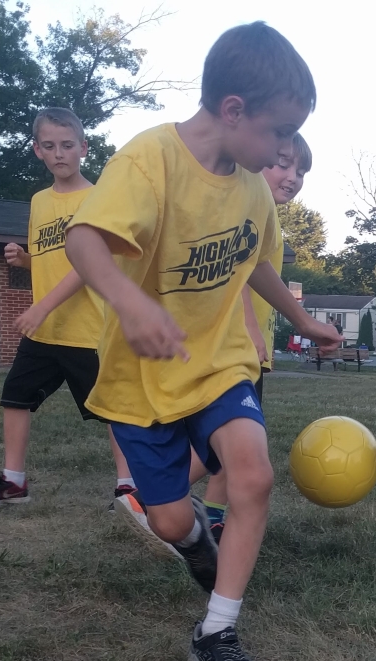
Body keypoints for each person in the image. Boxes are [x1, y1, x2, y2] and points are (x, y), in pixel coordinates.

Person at [63, 22, 339, 661]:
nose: (282, 151)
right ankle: (192, 542)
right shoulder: (148, 159)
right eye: (278, 133)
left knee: (251, 473)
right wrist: (130, 303)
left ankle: (217, 629)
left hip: (220, 361)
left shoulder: (248, 186)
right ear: (233, 110)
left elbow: (257, 263)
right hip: (142, 376)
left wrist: (301, 317)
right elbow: (84, 241)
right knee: (168, 519)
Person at [115, 134, 314, 545]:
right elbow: (236, 272)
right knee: (229, 442)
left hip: (241, 350)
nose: (292, 177)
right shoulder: (240, 203)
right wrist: (252, 329)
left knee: (237, 446)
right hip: (231, 349)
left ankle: (216, 516)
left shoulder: (265, 212)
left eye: (301, 171)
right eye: (282, 164)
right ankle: (148, 497)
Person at [0, 107, 134, 508]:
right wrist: (26, 259)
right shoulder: (39, 201)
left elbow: (89, 265)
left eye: (67, 145)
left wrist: (41, 307)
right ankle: (14, 482)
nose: (59, 153)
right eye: (49, 146)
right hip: (45, 333)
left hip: (89, 330)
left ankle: (130, 488)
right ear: (37, 150)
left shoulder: (98, 198)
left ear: (83, 148)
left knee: (114, 411)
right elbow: (54, 255)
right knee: (15, 398)